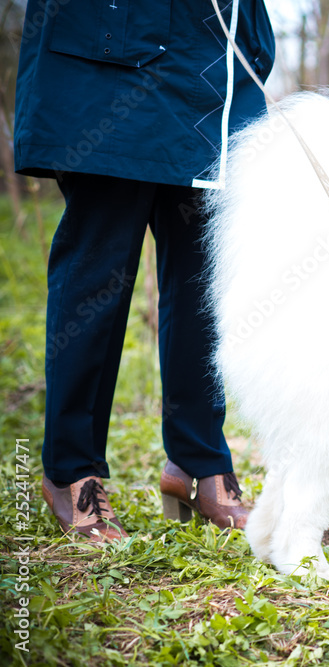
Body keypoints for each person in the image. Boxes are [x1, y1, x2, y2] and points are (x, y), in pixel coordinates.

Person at [14, 0, 275, 541]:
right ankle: (70, 470)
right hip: (110, 60)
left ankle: (200, 464)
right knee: (98, 276)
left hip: (212, 67)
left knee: (206, 283)